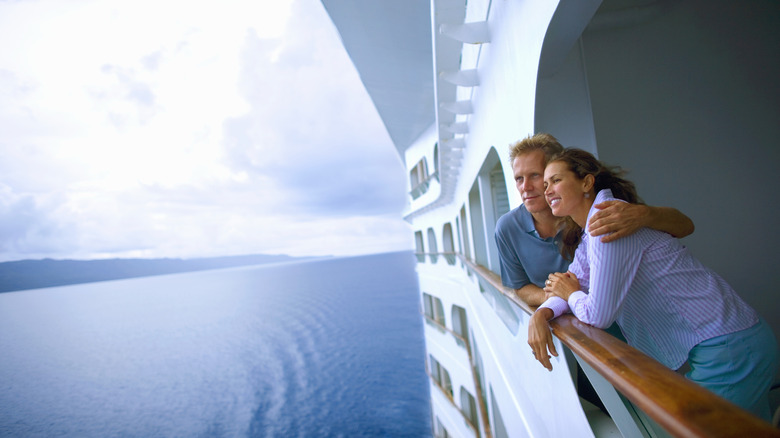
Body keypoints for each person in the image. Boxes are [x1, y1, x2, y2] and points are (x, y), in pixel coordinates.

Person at [532, 148, 778, 421]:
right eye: (545, 185)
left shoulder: (607, 225)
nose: (547, 190)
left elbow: (596, 314)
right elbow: (571, 280)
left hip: (730, 350)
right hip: (735, 341)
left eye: (555, 180)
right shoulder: (592, 232)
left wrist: (573, 293)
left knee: (698, 427)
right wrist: (542, 313)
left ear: (587, 183)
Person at [495, 133, 694, 309]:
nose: (525, 187)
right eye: (519, 179)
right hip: (577, 322)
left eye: (535, 176)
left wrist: (644, 214)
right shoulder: (507, 228)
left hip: (636, 313)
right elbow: (519, 286)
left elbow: (685, 226)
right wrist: (552, 297)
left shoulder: (593, 212)